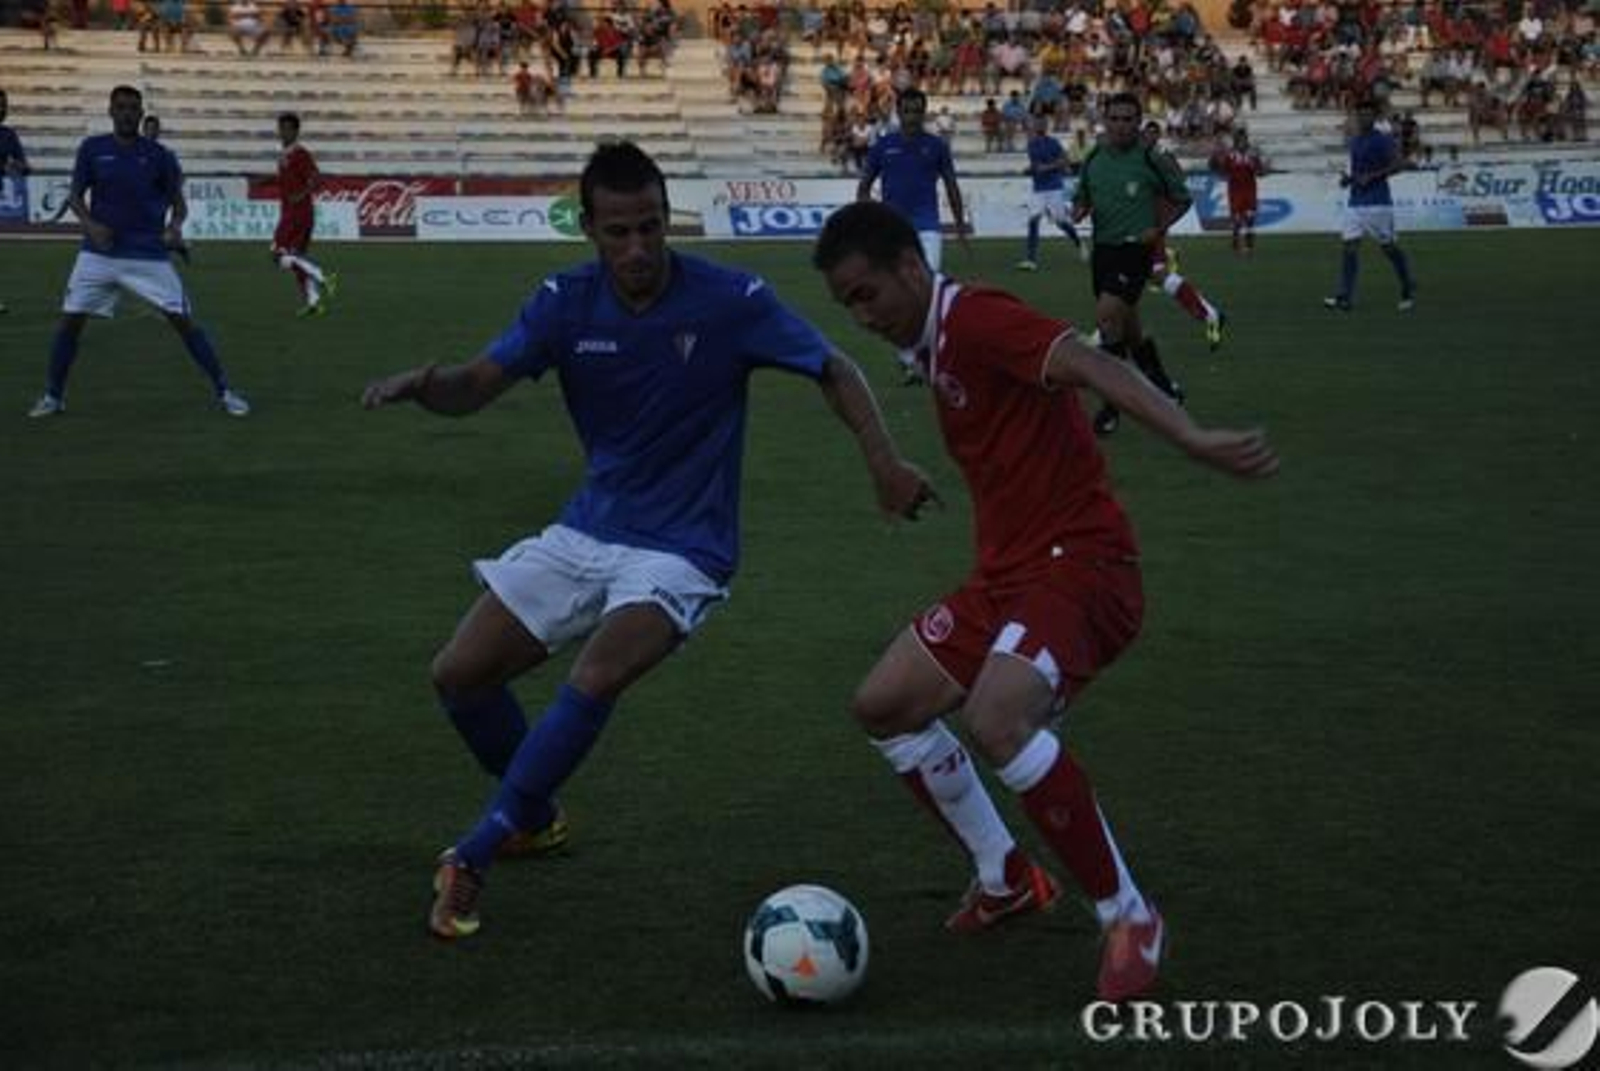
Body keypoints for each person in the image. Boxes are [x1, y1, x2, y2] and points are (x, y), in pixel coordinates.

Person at [359, 142, 936, 942]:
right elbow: (477, 387)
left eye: (651, 228)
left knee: (597, 671)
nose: (638, 250)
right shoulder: (563, 301)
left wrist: (884, 459)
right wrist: (431, 387)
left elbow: (833, 365)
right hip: (588, 526)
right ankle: (533, 814)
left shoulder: (729, 298)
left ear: (668, 219)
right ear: (590, 229)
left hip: (685, 546)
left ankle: (477, 851)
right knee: (459, 675)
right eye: (619, 232)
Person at [813, 200, 1278, 1002]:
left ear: (912, 270)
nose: (862, 316)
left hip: (1082, 565)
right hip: (1008, 577)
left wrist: (1192, 436)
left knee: (997, 718)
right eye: (846, 304)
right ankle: (1007, 875)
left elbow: (1093, 364)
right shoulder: (935, 341)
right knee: (884, 704)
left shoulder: (979, 318)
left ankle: (1129, 914)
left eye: (866, 293)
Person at [27, 86, 249, 419]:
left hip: (147, 255)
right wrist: (91, 225)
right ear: (111, 111)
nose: (128, 113)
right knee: (70, 322)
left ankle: (225, 391)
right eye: (121, 107)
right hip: (98, 254)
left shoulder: (160, 156)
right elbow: (74, 197)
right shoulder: (92, 149)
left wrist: (174, 228)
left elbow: (179, 205)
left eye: (133, 108)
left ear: (141, 113)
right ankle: (53, 396)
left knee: (184, 322)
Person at [1071, 96, 1191, 439]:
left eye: (1128, 119)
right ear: (1104, 121)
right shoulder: (1094, 157)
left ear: (1138, 123)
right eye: (1115, 119)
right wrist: (1078, 209)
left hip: (1135, 251)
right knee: (1129, 329)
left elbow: (1182, 199)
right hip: (1104, 251)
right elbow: (1082, 196)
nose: (1121, 125)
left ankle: (1111, 405)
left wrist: (1159, 228)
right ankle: (1163, 384)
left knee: (1107, 316)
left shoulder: (1153, 159)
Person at [857, 87, 970, 384]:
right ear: (899, 111)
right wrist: (866, 220)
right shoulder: (884, 145)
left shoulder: (936, 146)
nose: (911, 116)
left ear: (924, 111)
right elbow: (864, 186)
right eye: (906, 110)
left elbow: (951, 186)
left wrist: (959, 225)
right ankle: (910, 357)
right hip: (892, 229)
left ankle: (927, 352)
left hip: (927, 226)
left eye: (916, 110)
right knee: (896, 289)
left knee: (928, 286)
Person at [1139, 120, 1226, 355]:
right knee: (1142, 273)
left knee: (1149, 272)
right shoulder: (1141, 156)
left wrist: (1160, 221)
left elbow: (1179, 186)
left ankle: (1208, 312)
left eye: (1153, 134)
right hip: (1143, 219)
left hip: (1150, 220)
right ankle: (1208, 312)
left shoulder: (1161, 157)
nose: (1150, 137)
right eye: (1147, 133)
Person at [1324, 98, 1416, 313]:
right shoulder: (1355, 141)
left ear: (1374, 117)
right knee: (1349, 248)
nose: (1363, 117)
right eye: (1360, 114)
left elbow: (1399, 165)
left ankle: (1406, 287)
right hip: (1355, 202)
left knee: (1389, 249)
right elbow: (1357, 172)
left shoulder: (1382, 140)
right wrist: (1349, 179)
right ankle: (1345, 297)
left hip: (1378, 203)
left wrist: (1372, 177)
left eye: (1367, 114)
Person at [272, 112, 336, 317]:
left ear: (295, 131)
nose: (281, 132)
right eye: (280, 128)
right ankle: (314, 302)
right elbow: (284, 180)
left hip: (298, 214)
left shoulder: (300, 154)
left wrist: (300, 195)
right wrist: (264, 181)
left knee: (278, 253)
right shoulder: (285, 153)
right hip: (292, 212)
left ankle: (324, 276)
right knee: (297, 259)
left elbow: (317, 179)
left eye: (286, 128)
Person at [1016, 111, 1084, 272]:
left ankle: (1079, 243)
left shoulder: (1053, 142)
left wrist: (1046, 167)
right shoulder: (1031, 145)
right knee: (1033, 220)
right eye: (1037, 123)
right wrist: (1029, 170)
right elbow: (1036, 166)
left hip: (1054, 187)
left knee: (1061, 222)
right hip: (1038, 189)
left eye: (1043, 123)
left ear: (1046, 126)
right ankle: (1031, 259)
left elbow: (1065, 161)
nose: (1040, 125)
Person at [1210, 126, 1265, 255]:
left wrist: (1260, 169)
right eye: (1239, 139)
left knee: (1250, 218)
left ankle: (1249, 246)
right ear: (1236, 141)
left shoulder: (1252, 154)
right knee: (1237, 220)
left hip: (1250, 190)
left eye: (1244, 139)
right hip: (1235, 190)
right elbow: (1221, 169)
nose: (1242, 142)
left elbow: (1260, 171)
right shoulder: (1230, 155)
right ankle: (1236, 244)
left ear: (1246, 140)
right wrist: (1215, 162)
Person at [1, 89, 32, 316]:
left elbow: (24, 165)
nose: (2, 109)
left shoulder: (8, 134)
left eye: (4, 104)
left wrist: (19, 168)